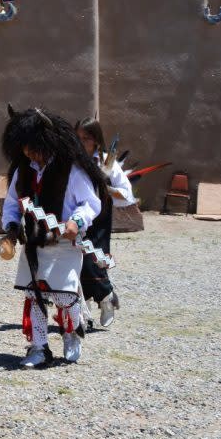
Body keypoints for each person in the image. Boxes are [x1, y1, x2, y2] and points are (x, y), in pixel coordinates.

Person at [0, 106, 106, 368]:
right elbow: (12, 203)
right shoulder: (23, 171)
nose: (28, 152)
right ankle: (39, 348)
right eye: (24, 147)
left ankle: (72, 332)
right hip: (34, 243)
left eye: (32, 146)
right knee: (34, 295)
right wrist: (11, 228)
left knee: (64, 296)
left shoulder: (72, 170)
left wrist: (76, 221)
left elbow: (91, 203)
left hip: (65, 244)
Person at [76, 117, 132, 327]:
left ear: (96, 140)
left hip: (99, 220)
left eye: (86, 138)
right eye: (78, 138)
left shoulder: (107, 162)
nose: (82, 142)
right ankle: (84, 312)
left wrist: (105, 187)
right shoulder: (72, 161)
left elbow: (126, 194)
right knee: (77, 263)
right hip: (76, 217)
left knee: (93, 261)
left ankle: (107, 297)